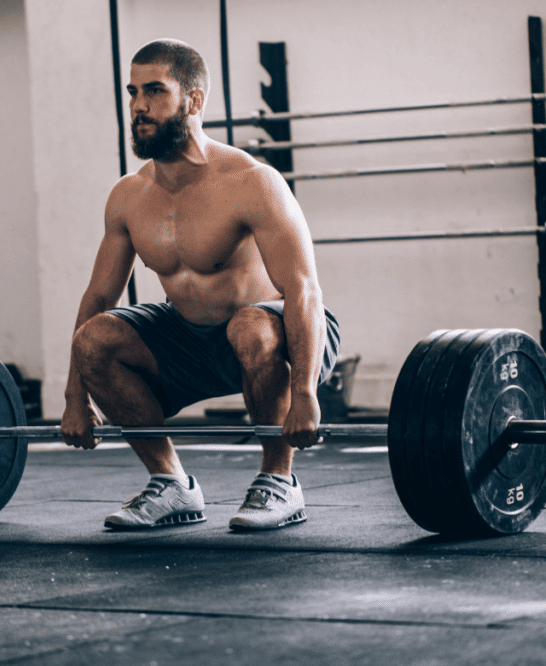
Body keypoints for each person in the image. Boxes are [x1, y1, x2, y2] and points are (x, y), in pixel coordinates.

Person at [61, 38, 340, 531]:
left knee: (250, 328)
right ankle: (170, 485)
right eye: (132, 92)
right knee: (96, 337)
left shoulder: (252, 182)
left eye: (154, 91)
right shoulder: (129, 196)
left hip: (274, 331)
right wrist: (74, 396)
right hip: (187, 338)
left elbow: (303, 290)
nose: (138, 107)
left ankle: (279, 481)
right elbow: (100, 297)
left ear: (193, 100)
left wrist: (305, 392)